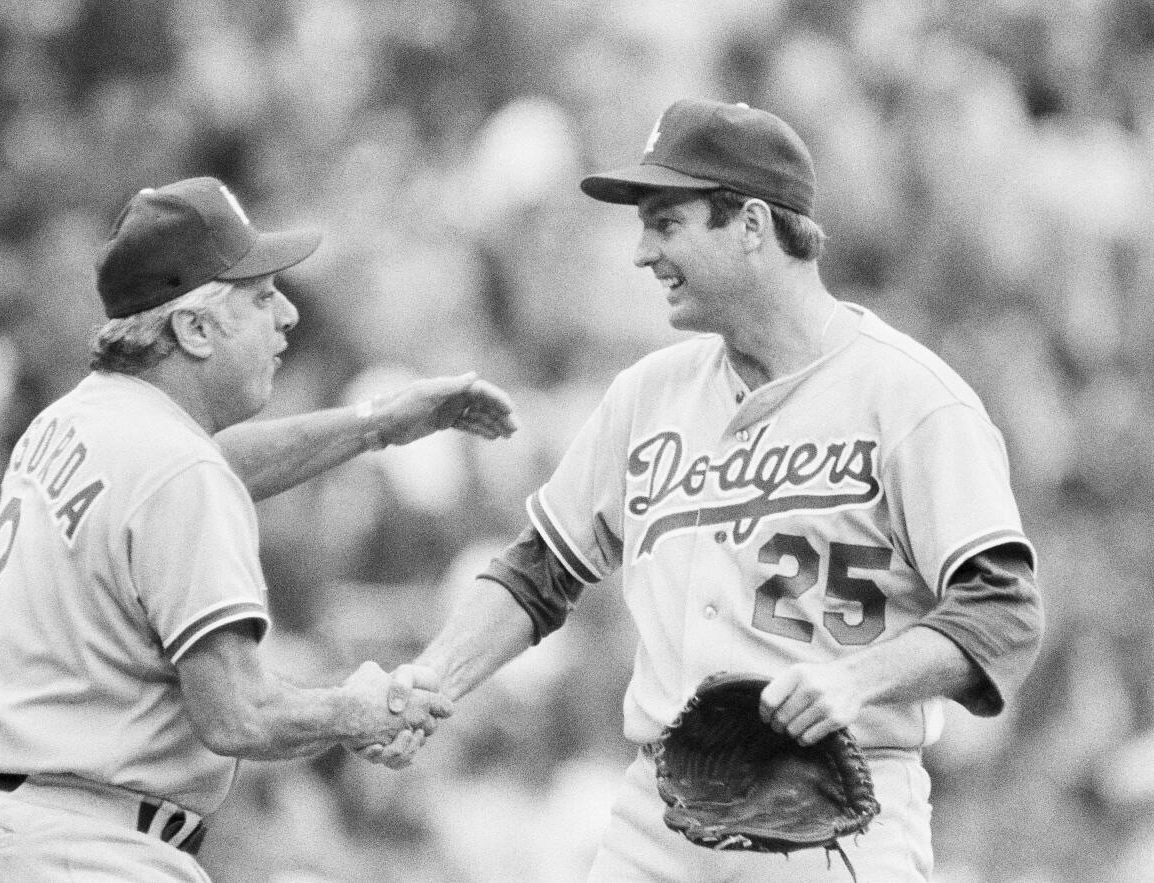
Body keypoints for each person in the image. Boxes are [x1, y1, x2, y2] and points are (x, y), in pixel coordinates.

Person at [372, 99, 1045, 881]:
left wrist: (859, 676)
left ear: (752, 225)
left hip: (835, 806)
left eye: (666, 222)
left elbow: (1004, 610)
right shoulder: (647, 395)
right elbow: (539, 568)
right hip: (661, 809)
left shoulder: (911, 397)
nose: (642, 252)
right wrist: (435, 681)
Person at [0, 176, 517, 882]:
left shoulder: (73, 420)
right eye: (259, 297)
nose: (286, 315)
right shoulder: (173, 469)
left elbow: (206, 468)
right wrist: (357, 709)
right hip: (88, 850)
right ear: (193, 328)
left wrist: (375, 424)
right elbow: (239, 716)